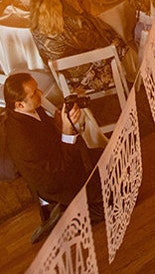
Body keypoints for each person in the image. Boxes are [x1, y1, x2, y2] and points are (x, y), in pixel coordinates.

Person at [4, 73, 104, 236]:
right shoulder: (21, 138)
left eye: (37, 88)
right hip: (56, 184)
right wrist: (67, 131)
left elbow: (51, 144)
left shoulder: (32, 109)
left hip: (64, 164)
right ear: (19, 105)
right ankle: (65, 216)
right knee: (111, 199)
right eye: (34, 93)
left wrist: (58, 127)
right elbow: (59, 169)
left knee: (107, 157)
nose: (41, 94)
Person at [30, 0, 127, 94]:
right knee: (118, 41)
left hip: (63, 76)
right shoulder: (69, 17)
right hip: (85, 76)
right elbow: (95, 40)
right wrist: (85, 12)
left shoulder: (36, 10)